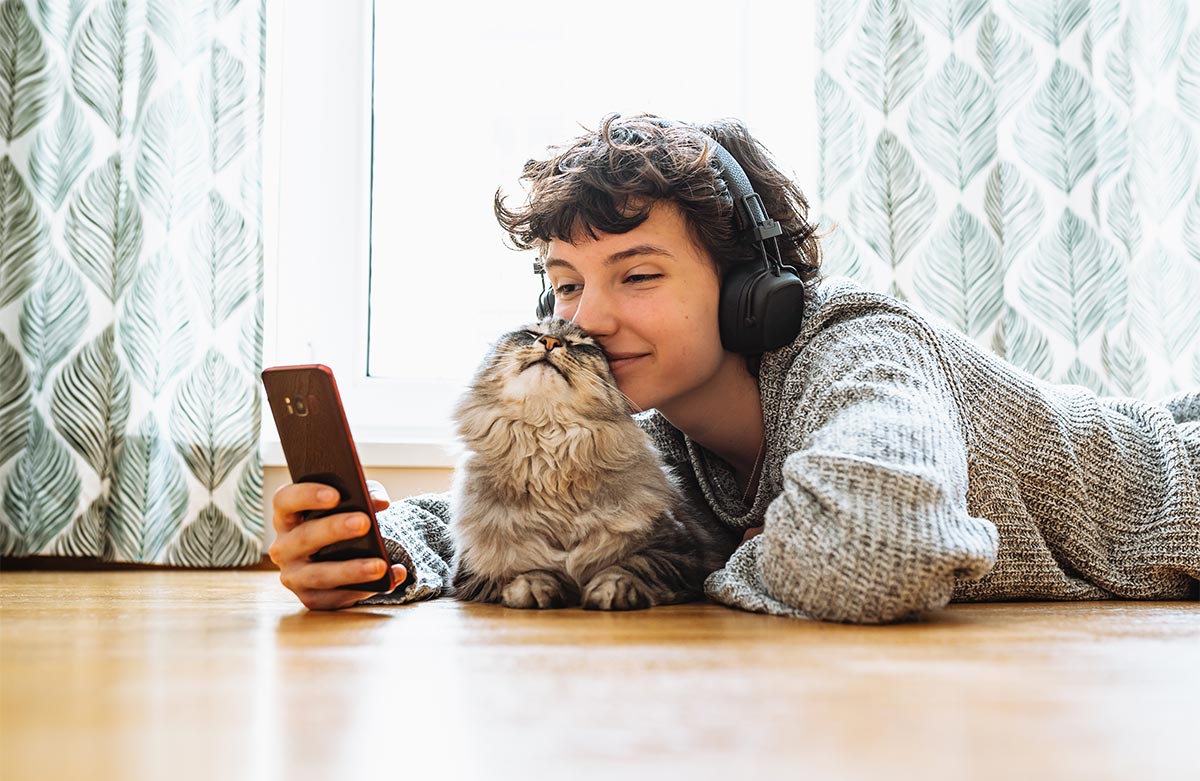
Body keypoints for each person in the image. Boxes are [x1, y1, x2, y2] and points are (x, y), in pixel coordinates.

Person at [269, 112, 1200, 623]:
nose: (584, 318)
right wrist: (379, 552)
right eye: (563, 285)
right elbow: (541, 521)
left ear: (749, 287)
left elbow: (880, 554)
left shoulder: (858, 348)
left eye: (635, 275)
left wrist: (701, 570)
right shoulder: (669, 434)